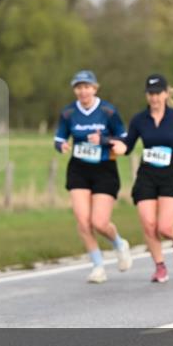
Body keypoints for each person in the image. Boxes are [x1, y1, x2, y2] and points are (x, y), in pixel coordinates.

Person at [110, 75, 173, 284]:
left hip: (170, 175)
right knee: (149, 225)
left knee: (165, 227)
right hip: (147, 176)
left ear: (166, 94)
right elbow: (128, 145)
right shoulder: (140, 120)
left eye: (158, 93)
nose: (154, 98)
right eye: (151, 94)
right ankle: (160, 267)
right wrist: (119, 147)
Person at [54, 70, 133, 284]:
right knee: (82, 221)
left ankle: (119, 244)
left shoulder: (108, 111)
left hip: (105, 168)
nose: (83, 91)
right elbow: (59, 137)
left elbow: (124, 139)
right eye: (79, 87)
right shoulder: (68, 113)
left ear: (95, 89)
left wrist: (104, 140)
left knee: (99, 222)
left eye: (87, 87)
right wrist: (62, 145)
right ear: (75, 90)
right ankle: (98, 266)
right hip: (78, 168)